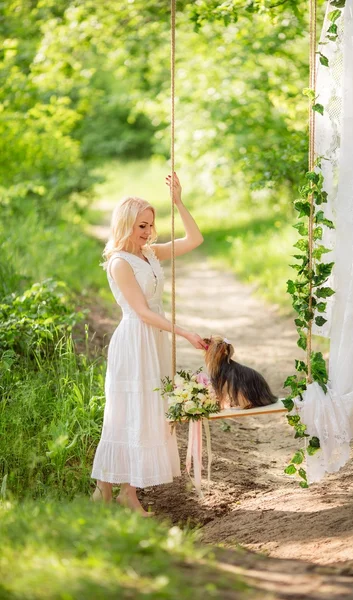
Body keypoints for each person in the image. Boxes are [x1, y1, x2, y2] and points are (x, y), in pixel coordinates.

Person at [91, 172, 207, 515]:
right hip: (134, 341)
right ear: (126, 224)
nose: (147, 232)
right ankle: (121, 491)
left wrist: (179, 203)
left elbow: (194, 239)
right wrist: (183, 331)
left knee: (142, 412)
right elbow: (141, 312)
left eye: (150, 226)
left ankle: (111, 491)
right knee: (127, 413)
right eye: (141, 226)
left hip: (153, 341)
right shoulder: (119, 263)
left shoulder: (149, 254)